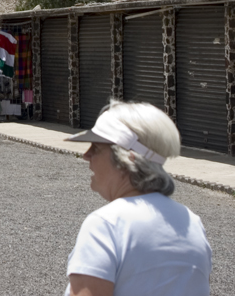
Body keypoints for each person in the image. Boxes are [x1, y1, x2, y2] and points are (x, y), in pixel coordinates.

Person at [64, 100, 211, 296]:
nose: (86, 155)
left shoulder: (106, 225)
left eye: (96, 148)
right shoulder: (192, 222)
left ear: (126, 160)